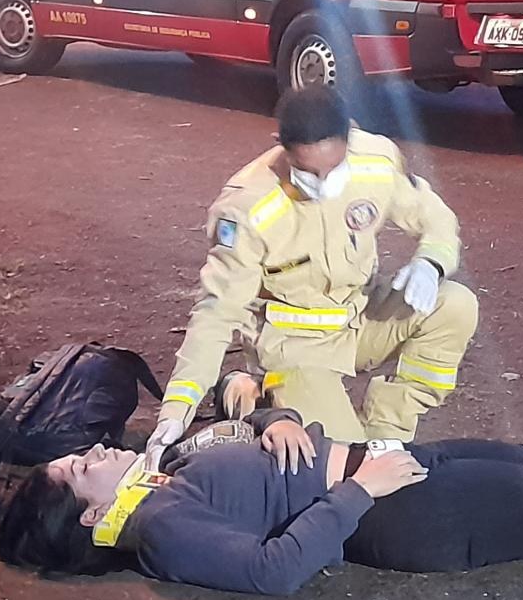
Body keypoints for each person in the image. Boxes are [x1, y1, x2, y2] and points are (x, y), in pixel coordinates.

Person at [0, 413, 523, 595]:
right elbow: (276, 569)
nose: (98, 451)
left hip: (399, 464)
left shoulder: (158, 474)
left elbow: (244, 427)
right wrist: (358, 490)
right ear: (83, 516)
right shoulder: (161, 528)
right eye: (81, 467)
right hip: (405, 509)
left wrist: (277, 417)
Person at [147, 86, 476, 456]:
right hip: (295, 348)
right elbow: (217, 313)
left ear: (349, 139)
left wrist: (429, 263)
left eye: (333, 169)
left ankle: (388, 432)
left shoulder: (375, 162)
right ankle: (250, 398)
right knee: (337, 461)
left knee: (455, 305)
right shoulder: (247, 209)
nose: (321, 184)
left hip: (359, 317)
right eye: (306, 171)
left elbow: (435, 217)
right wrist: (176, 409)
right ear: (282, 148)